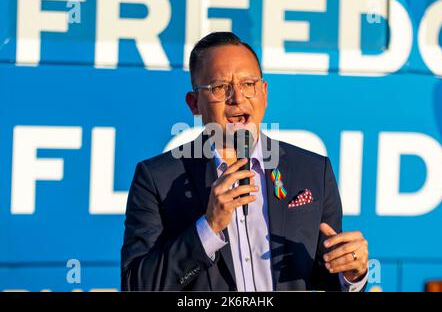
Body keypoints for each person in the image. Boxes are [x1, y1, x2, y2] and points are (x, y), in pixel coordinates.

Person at [121, 32, 369, 291]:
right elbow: (136, 285)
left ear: (264, 93)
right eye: (220, 88)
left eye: (248, 84)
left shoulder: (313, 171)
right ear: (194, 104)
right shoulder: (156, 178)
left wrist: (352, 274)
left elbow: (327, 271)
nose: (237, 98)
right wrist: (208, 227)